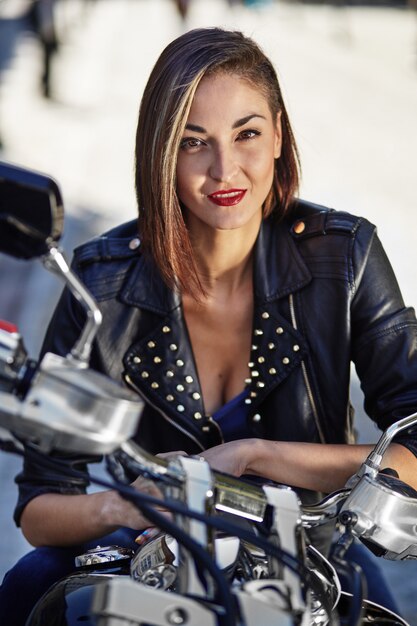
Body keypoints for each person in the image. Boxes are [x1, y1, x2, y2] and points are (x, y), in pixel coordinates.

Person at [1, 26, 417, 625]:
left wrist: (255, 456)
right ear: (162, 154)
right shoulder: (102, 282)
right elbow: (41, 505)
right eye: (195, 142)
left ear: (278, 133)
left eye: (246, 133)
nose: (225, 169)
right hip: (146, 554)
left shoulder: (344, 258)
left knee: (376, 612)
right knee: (30, 585)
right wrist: (132, 506)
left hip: (308, 553)